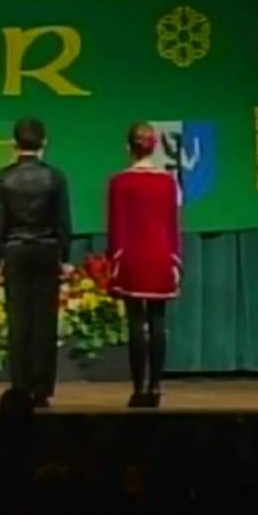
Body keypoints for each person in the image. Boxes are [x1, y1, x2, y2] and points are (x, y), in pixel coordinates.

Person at [0, 117, 73, 408]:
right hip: (47, 250)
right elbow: (63, 221)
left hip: (15, 251)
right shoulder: (54, 177)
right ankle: (42, 389)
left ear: (14, 144)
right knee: (45, 322)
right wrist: (65, 256)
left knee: (19, 321)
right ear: (44, 142)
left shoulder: (3, 178)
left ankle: (20, 388)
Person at [105, 122, 182, 408]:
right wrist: (175, 259)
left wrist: (115, 259)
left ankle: (138, 388)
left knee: (136, 321)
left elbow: (116, 226)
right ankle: (156, 386)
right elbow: (173, 226)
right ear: (155, 146)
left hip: (132, 257)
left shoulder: (119, 182)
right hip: (161, 256)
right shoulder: (167, 182)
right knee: (158, 320)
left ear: (128, 147)